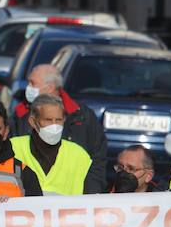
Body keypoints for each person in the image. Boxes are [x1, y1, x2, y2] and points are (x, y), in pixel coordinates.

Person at [11, 64, 107, 192]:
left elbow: (97, 161)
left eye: (32, 83)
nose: (28, 87)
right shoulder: (21, 114)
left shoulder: (82, 117)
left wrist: (91, 194)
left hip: (70, 204)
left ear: (50, 87)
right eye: (48, 120)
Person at [9, 94, 99, 195]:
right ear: (33, 122)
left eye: (58, 120)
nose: (54, 126)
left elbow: (91, 196)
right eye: (48, 120)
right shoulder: (13, 148)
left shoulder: (79, 155)